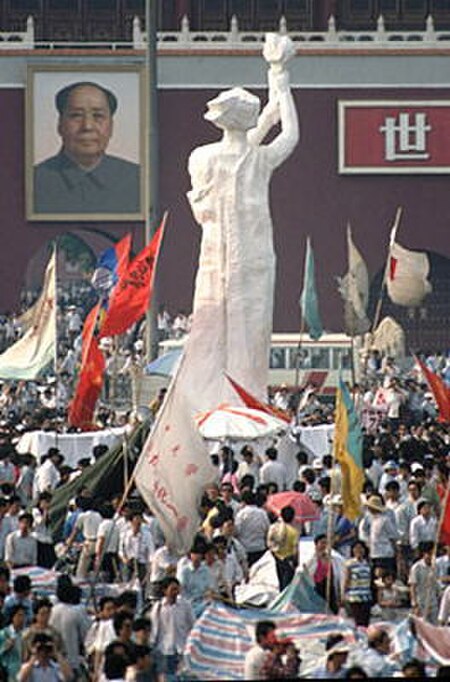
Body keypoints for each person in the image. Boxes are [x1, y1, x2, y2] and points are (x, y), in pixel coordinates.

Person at [185, 33, 298, 404]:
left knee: (212, 324)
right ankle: (245, 397)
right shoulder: (259, 159)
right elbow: (289, 135)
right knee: (250, 329)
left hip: (218, 256)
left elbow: (253, 140)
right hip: (253, 256)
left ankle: (212, 398)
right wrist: (280, 79)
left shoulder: (202, 157)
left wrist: (276, 80)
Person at [34, 81, 140, 215]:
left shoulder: (137, 179)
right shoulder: (35, 181)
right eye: (76, 115)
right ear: (60, 125)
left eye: (98, 116)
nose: (87, 126)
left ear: (111, 126)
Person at [150, 576, 194, 682]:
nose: (175, 592)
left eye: (177, 589)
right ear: (165, 591)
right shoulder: (158, 607)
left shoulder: (185, 605)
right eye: (172, 589)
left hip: (181, 650)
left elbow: (192, 625)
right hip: (165, 651)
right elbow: (154, 628)